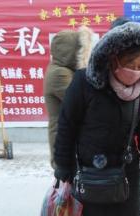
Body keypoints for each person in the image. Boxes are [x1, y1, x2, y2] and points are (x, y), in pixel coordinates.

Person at [53, 22, 140, 216]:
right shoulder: (83, 82)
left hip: (126, 174)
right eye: (130, 64)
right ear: (114, 58)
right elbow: (66, 127)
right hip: (93, 174)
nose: (135, 71)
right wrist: (63, 169)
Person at [43, 26, 93, 169]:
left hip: (67, 140)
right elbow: (82, 102)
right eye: (80, 50)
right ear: (71, 51)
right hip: (64, 144)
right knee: (69, 187)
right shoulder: (60, 74)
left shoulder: (61, 69)